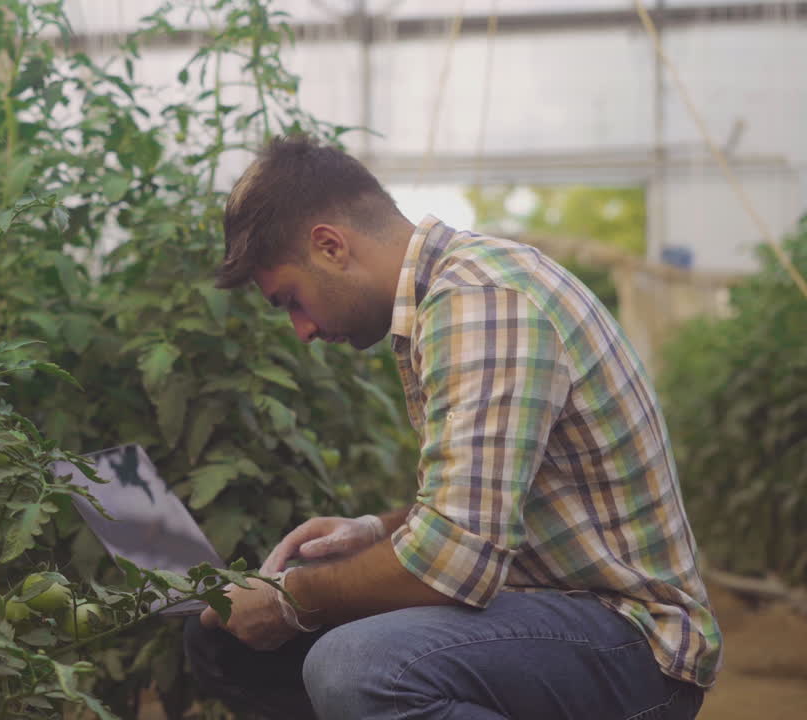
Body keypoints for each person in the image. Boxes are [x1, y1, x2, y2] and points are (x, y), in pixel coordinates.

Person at [184, 135, 722, 720]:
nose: (302, 330)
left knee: (357, 667)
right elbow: (480, 510)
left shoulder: (481, 303)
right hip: (551, 609)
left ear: (331, 246)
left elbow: (455, 561)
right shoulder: (448, 298)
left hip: (635, 644)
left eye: (292, 300)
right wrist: (373, 531)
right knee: (223, 643)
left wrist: (292, 600)